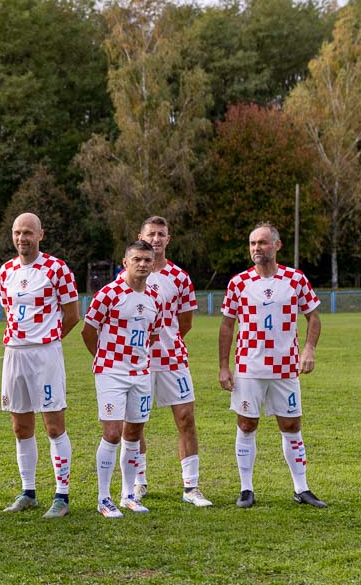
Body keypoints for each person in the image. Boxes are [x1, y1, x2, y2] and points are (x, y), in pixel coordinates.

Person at [219, 222, 326, 508]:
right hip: (248, 367)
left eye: (263, 242)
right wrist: (223, 366)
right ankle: (246, 489)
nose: (257, 248)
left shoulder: (295, 279)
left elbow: (313, 317)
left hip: (286, 367)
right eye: (253, 243)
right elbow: (227, 326)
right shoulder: (238, 283)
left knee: (291, 425)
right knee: (246, 424)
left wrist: (309, 348)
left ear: (277, 246)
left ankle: (301, 488)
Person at [0, 212, 81, 518]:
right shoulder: (6, 270)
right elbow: (9, 311)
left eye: (28, 232)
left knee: (54, 425)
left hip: (45, 354)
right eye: (18, 232)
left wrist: (48, 339)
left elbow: (72, 315)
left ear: (40, 235)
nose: (22, 238)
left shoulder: (57, 269)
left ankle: (62, 496)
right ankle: (28, 492)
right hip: (14, 353)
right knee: (20, 427)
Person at [129, 216, 212, 507]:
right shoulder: (128, 275)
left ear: (168, 239)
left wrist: (166, 341)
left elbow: (185, 322)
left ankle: (191, 487)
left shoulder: (180, 277)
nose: (155, 239)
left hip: (172, 359)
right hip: (137, 361)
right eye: (150, 233)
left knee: (186, 419)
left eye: (161, 234)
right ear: (141, 236)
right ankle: (138, 482)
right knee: (134, 423)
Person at [83, 240, 165, 517]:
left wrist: (135, 360)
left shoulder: (155, 298)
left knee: (134, 434)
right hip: (111, 373)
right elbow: (88, 331)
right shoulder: (108, 294)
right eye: (136, 259)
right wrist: (106, 361)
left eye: (147, 260)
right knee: (112, 433)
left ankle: (128, 494)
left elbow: (152, 335)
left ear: (152, 264)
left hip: (140, 374)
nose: (142, 264)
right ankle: (103, 498)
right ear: (125, 262)